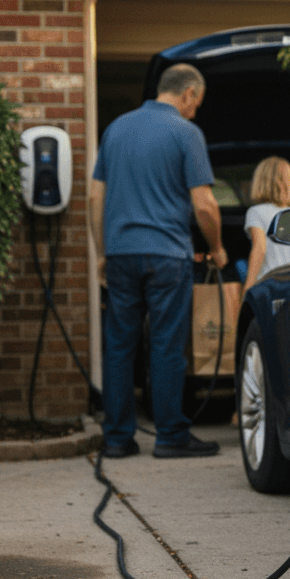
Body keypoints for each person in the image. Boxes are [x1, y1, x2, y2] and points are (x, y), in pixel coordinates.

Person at [88, 63, 227, 459]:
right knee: (166, 344)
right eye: (195, 103)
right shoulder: (186, 133)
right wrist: (216, 248)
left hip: (120, 254)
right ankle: (170, 435)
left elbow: (95, 198)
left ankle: (116, 439)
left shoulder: (115, 129)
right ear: (187, 94)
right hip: (168, 256)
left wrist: (102, 253)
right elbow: (204, 205)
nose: (194, 111)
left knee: (119, 345)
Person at [242, 156, 290, 292]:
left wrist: (248, 288)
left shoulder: (255, 212)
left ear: (260, 182)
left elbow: (259, 249)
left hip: (268, 285)